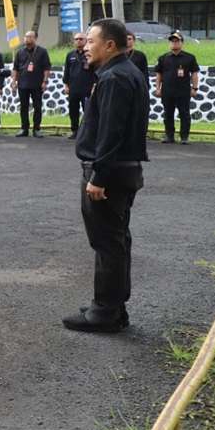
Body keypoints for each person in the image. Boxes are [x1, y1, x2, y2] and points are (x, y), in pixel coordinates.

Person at [63, 19, 148, 333]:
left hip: (109, 175)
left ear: (110, 45)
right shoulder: (124, 72)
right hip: (121, 171)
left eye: (91, 41)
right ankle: (112, 306)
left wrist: (98, 176)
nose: (85, 47)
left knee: (108, 242)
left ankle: (105, 312)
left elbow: (112, 134)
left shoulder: (115, 78)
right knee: (114, 240)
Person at [155, 31, 200, 144]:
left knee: (184, 114)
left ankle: (184, 137)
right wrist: (158, 88)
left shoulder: (190, 58)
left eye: (177, 41)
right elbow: (159, 74)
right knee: (168, 114)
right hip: (167, 91)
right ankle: (169, 136)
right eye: (172, 41)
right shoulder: (163, 58)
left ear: (182, 43)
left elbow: (194, 74)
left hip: (183, 91)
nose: (174, 43)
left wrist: (194, 88)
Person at [11, 30, 51, 138]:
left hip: (37, 84)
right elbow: (15, 68)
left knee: (37, 106)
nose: (27, 39)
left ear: (35, 38)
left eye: (30, 37)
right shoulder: (20, 52)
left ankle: (36, 129)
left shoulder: (42, 51)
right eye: (26, 36)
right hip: (23, 84)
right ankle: (24, 128)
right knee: (23, 107)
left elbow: (47, 68)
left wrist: (45, 81)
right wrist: (13, 81)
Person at [63, 33, 96, 138]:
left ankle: (87, 133)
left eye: (81, 39)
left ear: (86, 40)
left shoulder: (91, 54)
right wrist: (66, 85)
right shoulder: (70, 55)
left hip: (87, 88)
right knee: (73, 110)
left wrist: (94, 85)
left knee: (87, 111)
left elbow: (96, 71)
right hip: (73, 88)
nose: (78, 41)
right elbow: (67, 71)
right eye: (76, 39)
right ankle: (75, 131)